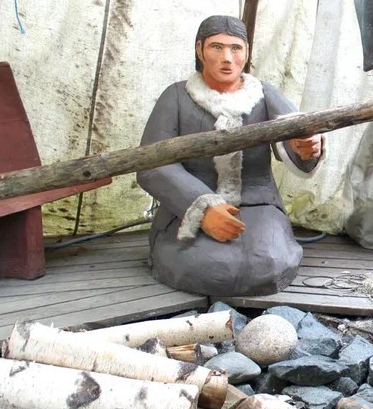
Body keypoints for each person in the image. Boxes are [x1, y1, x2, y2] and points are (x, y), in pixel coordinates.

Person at [137, 15, 324, 296]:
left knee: (268, 262)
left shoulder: (264, 94)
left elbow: (296, 133)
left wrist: (306, 147)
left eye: (236, 48)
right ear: (200, 50)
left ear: (246, 52)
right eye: (216, 47)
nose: (227, 58)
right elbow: (151, 165)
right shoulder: (175, 97)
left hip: (257, 203)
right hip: (186, 207)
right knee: (207, 265)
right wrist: (202, 207)